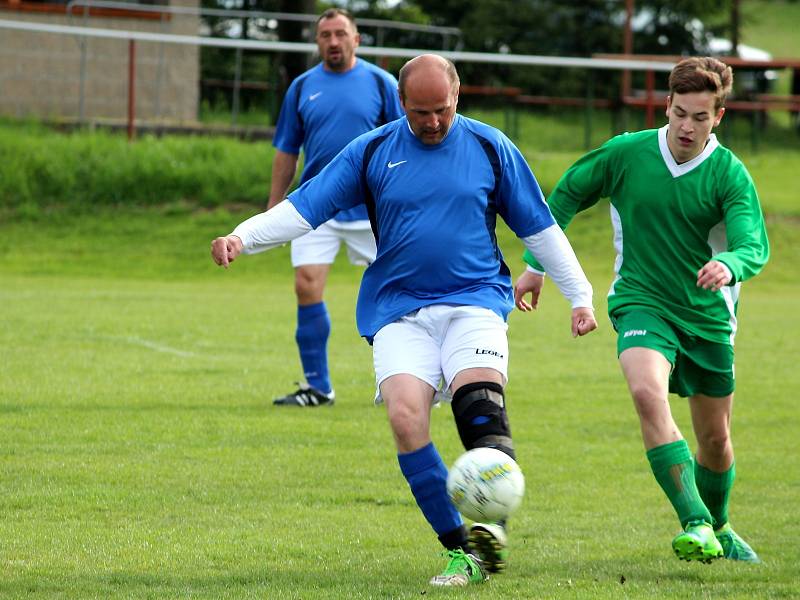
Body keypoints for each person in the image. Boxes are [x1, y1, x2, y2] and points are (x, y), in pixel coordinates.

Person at [212, 54, 597, 586]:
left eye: (441, 110)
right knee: (405, 419)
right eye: (420, 113)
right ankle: (463, 550)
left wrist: (579, 295)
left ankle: (493, 528)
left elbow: (539, 227)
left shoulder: (489, 146)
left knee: (479, 403)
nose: (433, 122)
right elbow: (306, 206)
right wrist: (242, 236)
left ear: (457, 97)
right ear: (401, 104)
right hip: (399, 309)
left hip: (475, 301)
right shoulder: (373, 151)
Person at [515, 56, 768, 564]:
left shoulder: (729, 175)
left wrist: (731, 264)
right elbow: (565, 195)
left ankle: (719, 523)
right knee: (646, 391)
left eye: (700, 117)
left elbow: (751, 243)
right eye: (679, 113)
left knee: (715, 439)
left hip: (707, 316)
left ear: (718, 116)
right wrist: (535, 265)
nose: (686, 127)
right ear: (666, 106)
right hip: (641, 301)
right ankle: (695, 523)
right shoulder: (628, 153)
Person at [268, 8, 403, 407]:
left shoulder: (383, 85)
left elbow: (407, 143)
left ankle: (417, 382)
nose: (333, 41)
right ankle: (317, 388)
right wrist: (273, 208)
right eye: (325, 34)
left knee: (401, 293)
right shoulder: (301, 87)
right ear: (317, 41)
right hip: (317, 208)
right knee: (306, 285)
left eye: (340, 33)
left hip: (374, 211)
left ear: (356, 39)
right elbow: (286, 151)